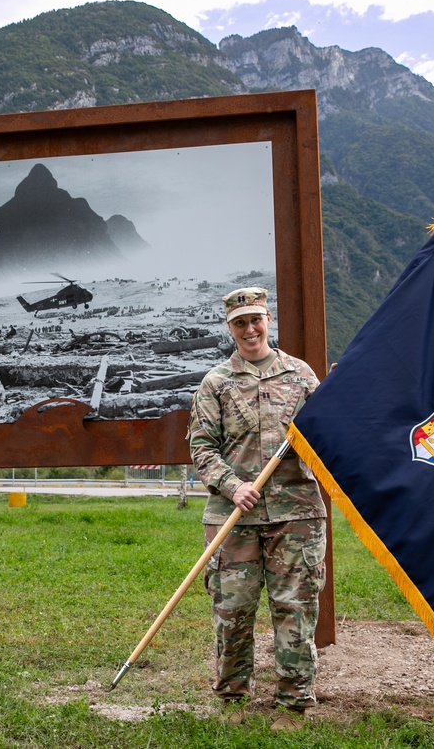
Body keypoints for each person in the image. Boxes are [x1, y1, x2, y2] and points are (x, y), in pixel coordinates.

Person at [188, 287, 326, 732]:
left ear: (269, 321)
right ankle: (231, 696)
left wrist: (340, 398)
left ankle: (294, 700)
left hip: (297, 512)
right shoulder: (216, 382)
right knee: (232, 610)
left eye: (257, 319)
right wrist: (232, 485)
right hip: (234, 517)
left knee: (296, 607)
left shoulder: (301, 376)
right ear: (229, 327)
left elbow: (328, 434)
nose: (250, 329)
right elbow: (201, 447)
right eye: (240, 322)